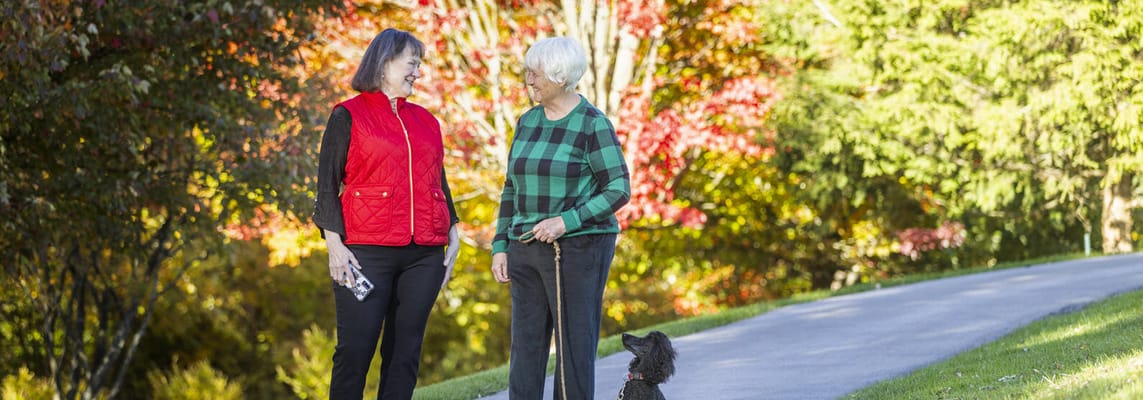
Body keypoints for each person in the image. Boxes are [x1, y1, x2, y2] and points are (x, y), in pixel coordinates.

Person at [312, 28, 460, 400]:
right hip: (364, 254)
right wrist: (334, 246)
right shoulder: (348, 115)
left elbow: (436, 179)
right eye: (412, 63)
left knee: (405, 353)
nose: (418, 72)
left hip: (424, 254)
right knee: (355, 349)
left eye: (419, 64)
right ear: (385, 62)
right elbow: (326, 186)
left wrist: (453, 230)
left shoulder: (427, 121)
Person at [490, 36, 631, 400]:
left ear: (558, 76)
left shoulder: (592, 124)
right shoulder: (527, 122)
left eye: (534, 74)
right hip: (525, 246)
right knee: (526, 347)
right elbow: (510, 188)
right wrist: (500, 245)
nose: (528, 81)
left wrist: (567, 221)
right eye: (527, 73)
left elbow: (618, 188)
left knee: (573, 346)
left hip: (579, 248)